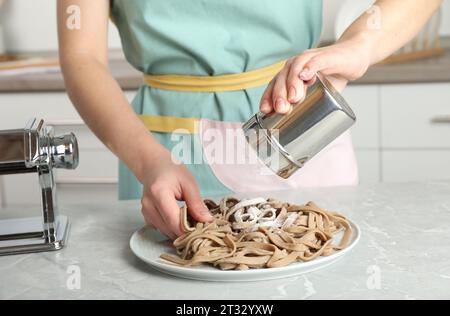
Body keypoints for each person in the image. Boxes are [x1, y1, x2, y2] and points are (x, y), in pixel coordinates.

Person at [58, 0, 442, 239]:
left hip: (297, 121)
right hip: (161, 150)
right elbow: (81, 58)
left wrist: (359, 45)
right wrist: (148, 160)